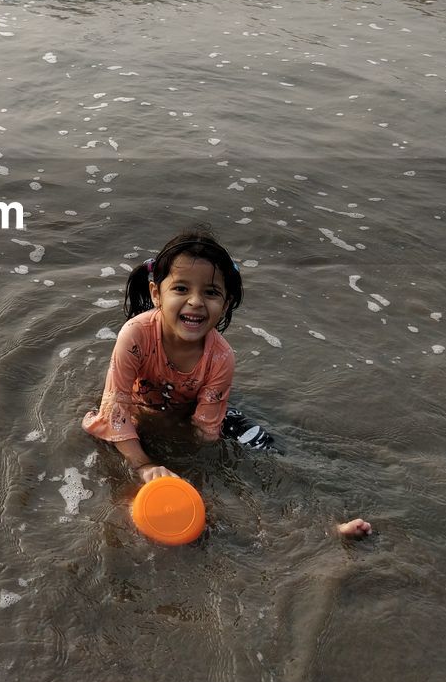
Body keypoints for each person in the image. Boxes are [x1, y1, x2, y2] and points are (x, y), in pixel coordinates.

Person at [82, 228, 372, 539]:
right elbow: (114, 408)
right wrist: (144, 464)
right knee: (115, 462)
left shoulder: (221, 357)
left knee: (266, 453)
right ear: (156, 293)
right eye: (181, 288)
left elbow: (206, 432)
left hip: (194, 416)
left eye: (210, 292)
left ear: (226, 300)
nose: (195, 302)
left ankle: (322, 526)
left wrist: (193, 469)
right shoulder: (136, 335)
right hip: (137, 416)